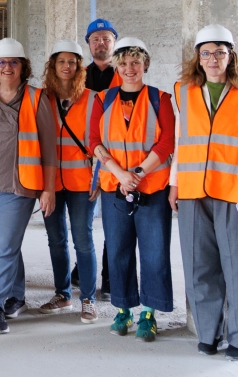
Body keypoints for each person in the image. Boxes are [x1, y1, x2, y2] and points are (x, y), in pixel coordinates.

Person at [170, 24, 238, 362]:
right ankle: (208, 333)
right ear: (198, 58)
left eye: (220, 52)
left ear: (231, 56)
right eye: (206, 53)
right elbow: (180, 142)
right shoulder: (184, 92)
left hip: (237, 191)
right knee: (198, 266)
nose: (213, 59)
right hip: (193, 190)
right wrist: (174, 183)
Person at [0, 38, 57, 335]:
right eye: (2, 62)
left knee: (4, 247)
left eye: (13, 62)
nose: (7, 67)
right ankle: (16, 296)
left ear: (23, 67)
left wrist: (48, 189)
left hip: (20, 187)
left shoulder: (36, 98)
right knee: (5, 246)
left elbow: (49, 148)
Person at [89, 37, 175, 342]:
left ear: (145, 64)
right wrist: (119, 174)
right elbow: (93, 141)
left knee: (154, 253)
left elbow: (166, 143)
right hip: (116, 189)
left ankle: (149, 313)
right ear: (116, 66)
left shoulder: (160, 99)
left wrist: (137, 174)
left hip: (152, 189)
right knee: (118, 251)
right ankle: (123, 310)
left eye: (135, 62)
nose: (129, 68)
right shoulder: (102, 100)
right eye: (123, 63)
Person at [38, 40, 99, 324]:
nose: (66, 66)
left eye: (72, 62)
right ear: (53, 66)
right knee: (56, 240)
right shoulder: (42, 99)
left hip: (82, 182)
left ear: (79, 67)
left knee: (83, 240)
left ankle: (88, 298)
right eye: (61, 61)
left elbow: (101, 142)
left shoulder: (93, 99)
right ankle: (62, 294)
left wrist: (99, 178)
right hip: (50, 183)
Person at [79, 17, 121, 300]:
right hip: (82, 158)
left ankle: (109, 278)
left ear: (114, 42)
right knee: (82, 224)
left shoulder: (127, 73)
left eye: (106, 38)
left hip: (114, 159)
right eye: (95, 39)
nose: (101, 43)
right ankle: (80, 270)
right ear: (89, 45)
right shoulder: (78, 76)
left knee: (113, 226)